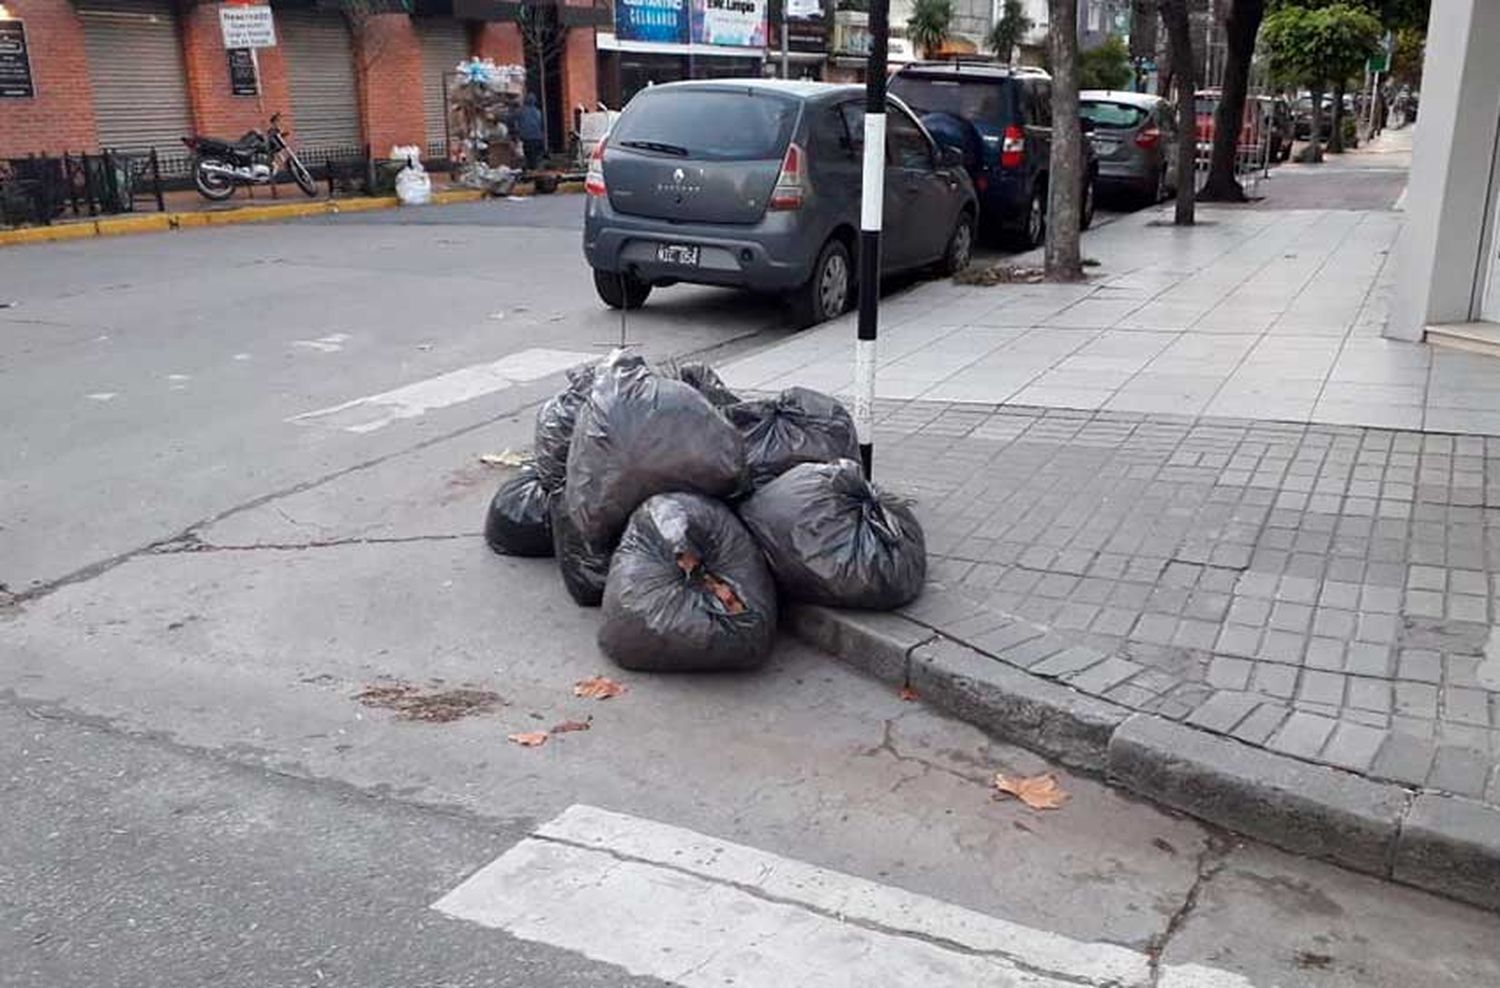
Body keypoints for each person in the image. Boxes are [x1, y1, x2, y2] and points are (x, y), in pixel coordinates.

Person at [513, 92, 545, 171]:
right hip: (538, 138)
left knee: (529, 157)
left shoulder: (521, 111)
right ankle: (535, 171)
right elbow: (541, 124)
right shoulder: (538, 112)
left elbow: (511, 118)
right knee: (535, 158)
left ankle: (531, 172)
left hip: (527, 138)